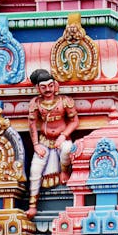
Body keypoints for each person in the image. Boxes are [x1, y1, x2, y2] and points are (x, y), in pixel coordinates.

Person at [27, 69, 78, 216]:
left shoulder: (65, 101)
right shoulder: (36, 103)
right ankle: (32, 205)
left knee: (68, 149)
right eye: (43, 87)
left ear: (55, 86)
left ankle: (63, 172)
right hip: (44, 140)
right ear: (38, 88)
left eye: (50, 86)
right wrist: (36, 145)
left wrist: (63, 135)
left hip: (62, 139)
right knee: (35, 169)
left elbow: (74, 121)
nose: (48, 90)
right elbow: (32, 125)